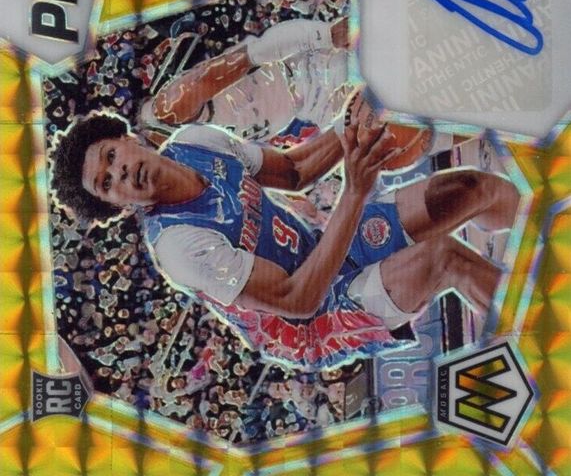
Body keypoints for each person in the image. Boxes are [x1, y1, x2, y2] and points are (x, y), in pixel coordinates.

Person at [51, 96, 519, 368]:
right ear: (117, 206)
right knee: (444, 258)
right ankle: (541, 335)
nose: (119, 173)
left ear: (129, 139)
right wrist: (355, 191)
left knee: (470, 188)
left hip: (321, 252)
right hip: (313, 324)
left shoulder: (195, 142)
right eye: (105, 184)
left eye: (111, 156)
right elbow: (299, 300)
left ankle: (542, 221)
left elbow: (294, 171)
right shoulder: (179, 245)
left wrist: (356, 116)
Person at [139, 17, 351, 143]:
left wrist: (323, 35)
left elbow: (256, 52)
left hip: (309, 68)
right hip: (317, 108)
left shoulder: (169, 111)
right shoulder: (205, 156)